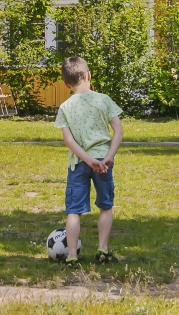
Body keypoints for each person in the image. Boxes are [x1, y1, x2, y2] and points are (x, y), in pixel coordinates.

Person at [54, 56, 124, 266]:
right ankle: (102, 250)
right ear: (88, 76)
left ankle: (72, 256)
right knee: (105, 206)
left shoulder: (65, 107)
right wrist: (108, 156)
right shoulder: (104, 100)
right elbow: (118, 130)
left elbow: (68, 141)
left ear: (67, 84)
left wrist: (87, 159)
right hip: (104, 161)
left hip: (78, 164)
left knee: (74, 211)